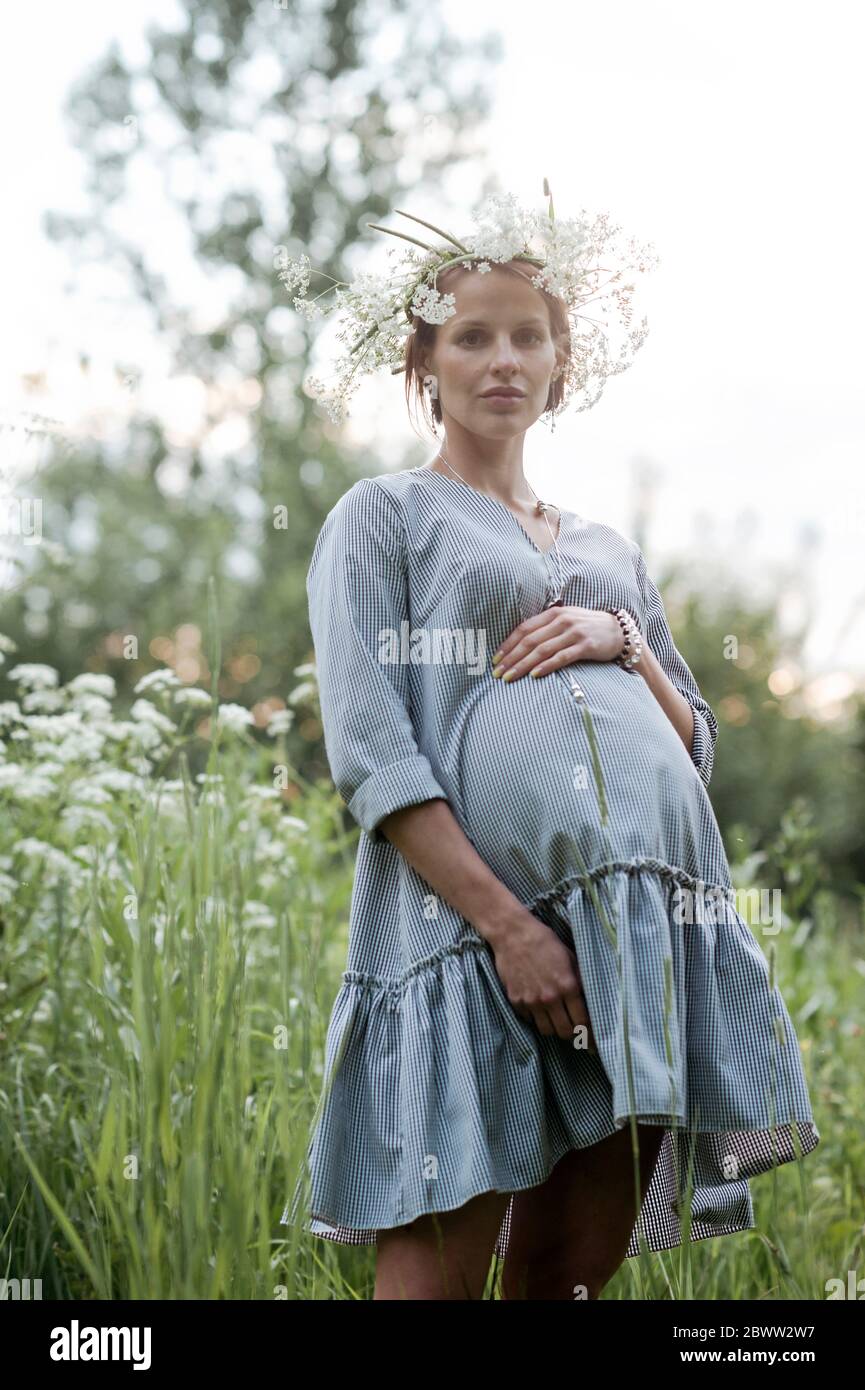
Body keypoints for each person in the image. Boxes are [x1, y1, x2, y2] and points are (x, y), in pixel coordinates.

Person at [279, 189, 820, 1300]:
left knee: (569, 1273)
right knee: (434, 1268)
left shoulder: (609, 547)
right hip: (473, 938)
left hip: (644, 933)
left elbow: (697, 745)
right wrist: (507, 930)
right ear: (423, 360)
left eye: (528, 335)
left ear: (562, 362)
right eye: (471, 336)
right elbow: (374, 751)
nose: (502, 359)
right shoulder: (383, 516)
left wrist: (622, 640)